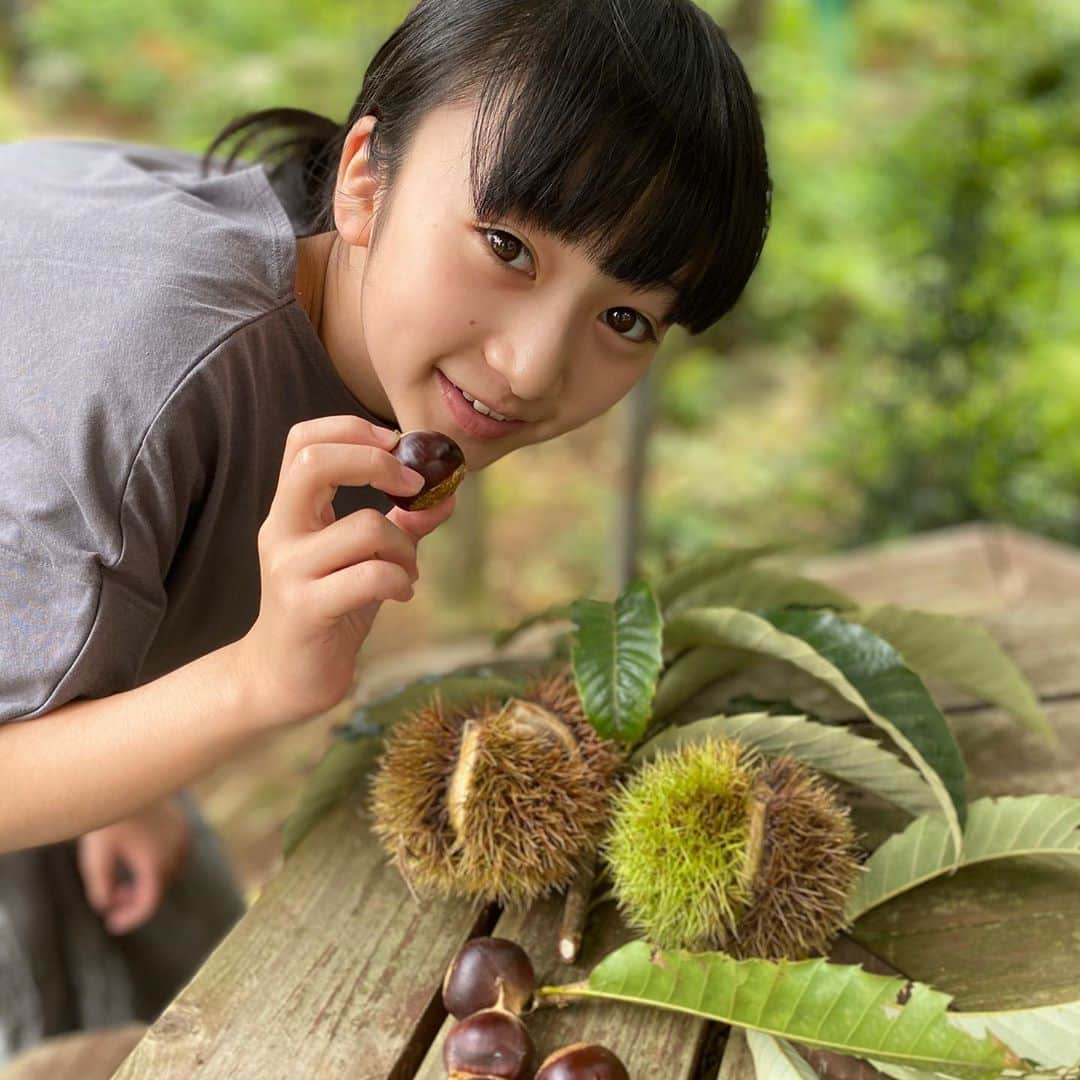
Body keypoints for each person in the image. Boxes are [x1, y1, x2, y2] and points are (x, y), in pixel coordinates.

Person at [0, 0, 770, 1063]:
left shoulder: (356, 333)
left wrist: (116, 717)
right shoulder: (146, 397)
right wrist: (254, 683)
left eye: (625, 318)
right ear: (363, 178)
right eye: (507, 246)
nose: (535, 368)